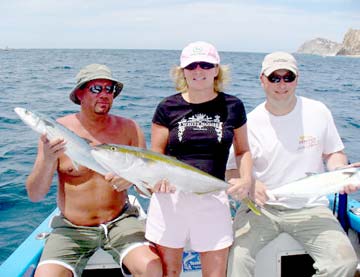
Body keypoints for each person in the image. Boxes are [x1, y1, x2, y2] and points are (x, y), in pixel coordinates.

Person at [226, 52, 359, 277]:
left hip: (311, 206)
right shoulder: (250, 123)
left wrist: (339, 171)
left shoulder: (318, 111)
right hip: (261, 208)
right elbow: (230, 169)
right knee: (237, 259)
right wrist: (251, 183)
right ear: (262, 80)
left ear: (297, 79)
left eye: (288, 77)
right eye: (274, 78)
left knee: (344, 262)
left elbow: (334, 153)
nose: (281, 84)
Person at [26, 64, 163, 277]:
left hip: (120, 221)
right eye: (97, 89)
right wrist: (48, 158)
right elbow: (35, 195)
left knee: (153, 269)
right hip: (72, 229)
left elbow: (148, 186)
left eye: (110, 90)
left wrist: (132, 180)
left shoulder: (129, 129)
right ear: (80, 93)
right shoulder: (57, 131)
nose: (105, 95)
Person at [144, 41, 253, 277]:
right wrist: (156, 180)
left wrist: (246, 179)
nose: (198, 70)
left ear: (216, 70)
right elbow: (156, 156)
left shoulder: (233, 106)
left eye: (205, 64)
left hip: (212, 197)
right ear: (182, 71)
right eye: (191, 66)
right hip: (170, 199)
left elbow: (243, 150)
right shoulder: (167, 107)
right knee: (169, 273)